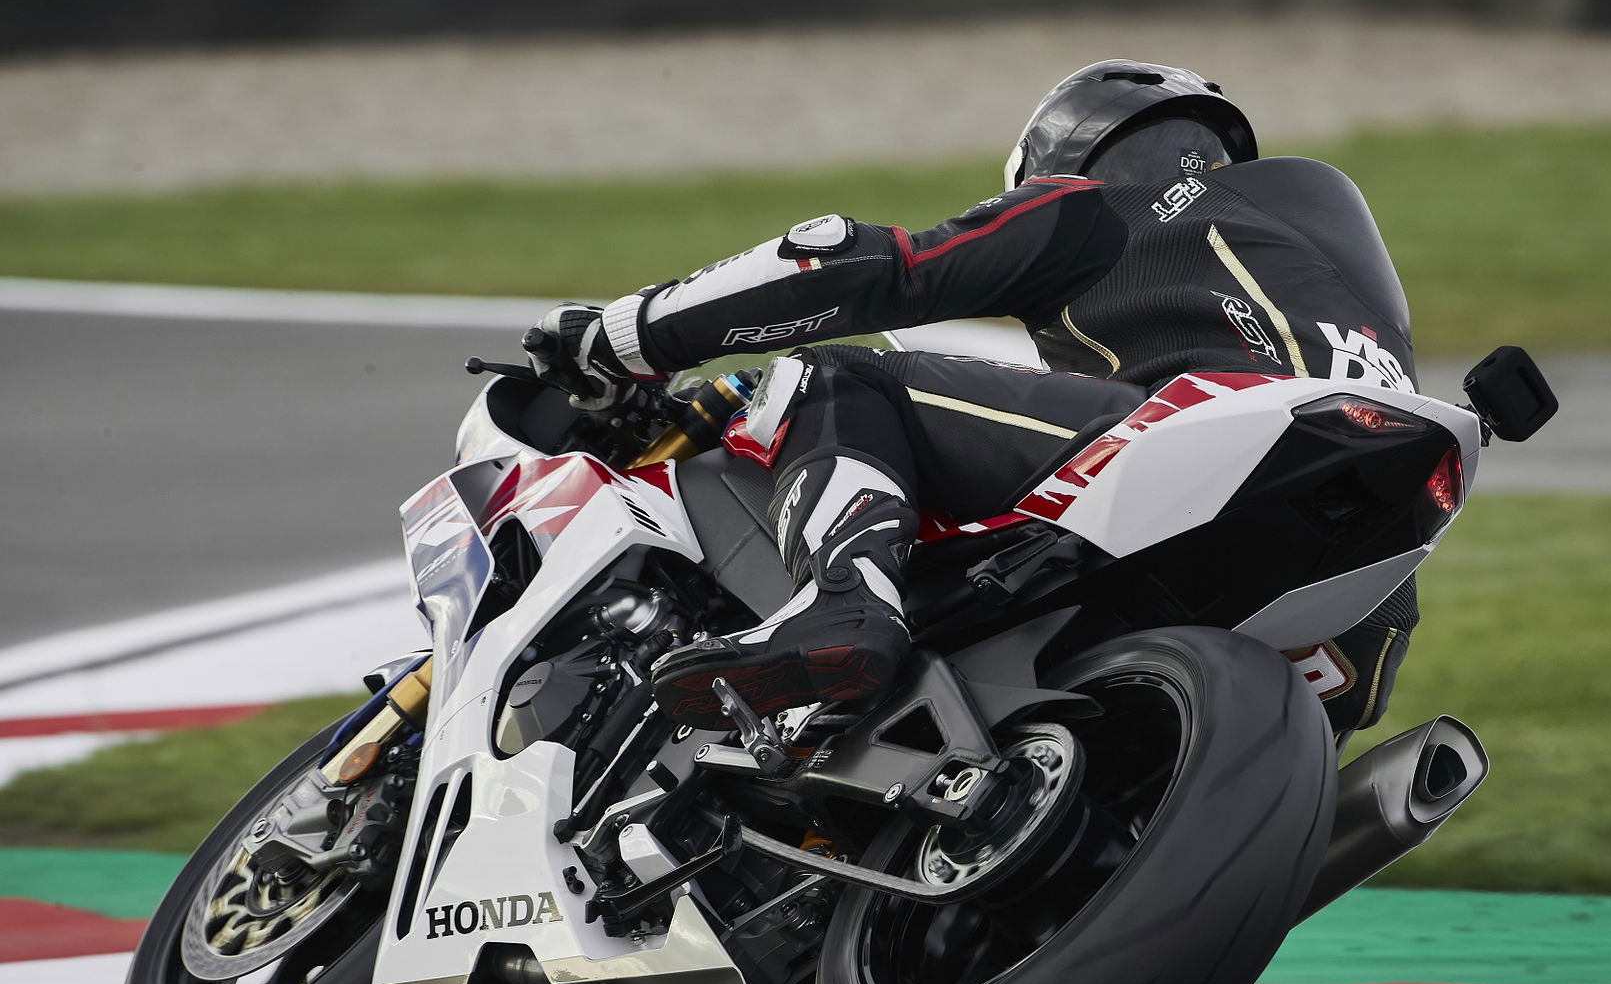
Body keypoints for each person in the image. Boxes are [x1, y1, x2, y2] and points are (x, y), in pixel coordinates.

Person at [529, 60, 1421, 732]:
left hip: (1205, 442)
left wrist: (628, 334)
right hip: (1362, 608)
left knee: (839, 376)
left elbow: (861, 265)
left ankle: (846, 597)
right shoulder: (1327, 271)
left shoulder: (1104, 206)